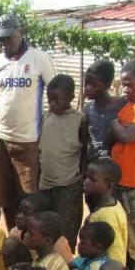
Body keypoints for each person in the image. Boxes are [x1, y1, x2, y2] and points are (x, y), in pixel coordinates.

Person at [0, 14, 57, 230]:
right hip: (1, 140)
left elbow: (56, 95)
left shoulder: (39, 59)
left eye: (9, 38)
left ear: (21, 33)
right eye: (0, 39)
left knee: (28, 200)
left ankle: (30, 244)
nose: (5, 43)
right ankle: (13, 237)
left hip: (29, 142)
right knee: (3, 197)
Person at [37, 74, 88, 252]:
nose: (52, 103)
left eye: (58, 99)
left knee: (66, 234)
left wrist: (80, 178)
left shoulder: (80, 120)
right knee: (43, 232)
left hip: (68, 187)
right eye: (50, 99)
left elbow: (85, 152)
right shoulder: (45, 117)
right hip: (45, 185)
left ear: (71, 98)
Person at [110, 58, 135, 270]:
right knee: (123, 239)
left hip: (133, 186)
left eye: (130, 83)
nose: (125, 89)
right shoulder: (128, 107)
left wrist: (114, 125)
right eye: (123, 84)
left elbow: (127, 136)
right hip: (121, 184)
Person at [84, 159, 128, 265]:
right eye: (87, 177)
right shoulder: (113, 205)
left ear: (109, 186)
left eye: (93, 180)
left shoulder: (106, 215)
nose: (86, 181)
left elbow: (115, 251)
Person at [9, 193, 74, 263]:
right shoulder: (15, 233)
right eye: (19, 211)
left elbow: (69, 266)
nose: (19, 216)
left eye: (26, 214)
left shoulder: (56, 241)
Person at [84, 59, 127, 163]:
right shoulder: (88, 109)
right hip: (93, 170)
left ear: (108, 85)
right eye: (86, 83)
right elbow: (85, 142)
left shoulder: (122, 105)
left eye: (94, 85)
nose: (87, 88)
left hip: (115, 171)